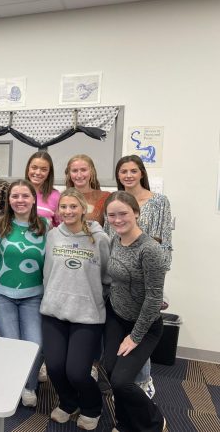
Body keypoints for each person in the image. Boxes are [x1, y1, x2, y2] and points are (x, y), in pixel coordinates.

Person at [41, 188, 111, 430]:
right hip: (54, 311)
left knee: (78, 372)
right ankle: (68, 402)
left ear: (84, 209)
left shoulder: (99, 238)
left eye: (73, 207)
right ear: (58, 210)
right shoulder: (52, 236)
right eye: (63, 207)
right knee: (55, 367)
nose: (68, 211)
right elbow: (47, 272)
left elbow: (107, 276)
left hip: (87, 315)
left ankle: (92, 407)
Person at [105, 154, 173, 398]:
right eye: (123, 171)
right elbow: (110, 237)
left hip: (149, 273)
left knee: (140, 330)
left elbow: (165, 239)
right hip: (122, 277)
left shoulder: (159, 201)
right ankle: (129, 383)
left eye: (133, 170)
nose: (128, 175)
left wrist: (160, 276)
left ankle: (142, 384)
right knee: (121, 344)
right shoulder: (115, 204)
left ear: (142, 172)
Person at [103, 191, 166, 432]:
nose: (117, 220)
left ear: (136, 213)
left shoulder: (149, 249)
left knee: (122, 382)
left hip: (145, 326)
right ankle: (125, 422)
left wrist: (135, 336)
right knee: (110, 371)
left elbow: (154, 298)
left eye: (123, 214)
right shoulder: (113, 240)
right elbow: (115, 281)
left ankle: (154, 420)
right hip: (116, 316)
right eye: (112, 215)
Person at [0, 180, 48, 407]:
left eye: (25, 196)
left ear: (34, 199)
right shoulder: (0, 224)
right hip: (1, 294)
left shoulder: (44, 226)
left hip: (33, 295)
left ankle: (29, 386)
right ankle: (14, 385)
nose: (20, 200)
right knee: (12, 344)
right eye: (15, 196)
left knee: (34, 344)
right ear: (9, 200)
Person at [64, 154, 110, 226]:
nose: (79, 175)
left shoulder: (105, 197)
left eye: (83, 170)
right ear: (69, 174)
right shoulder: (61, 198)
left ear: (92, 172)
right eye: (74, 171)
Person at [25, 151, 60, 227]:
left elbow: (60, 226)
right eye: (34, 168)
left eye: (43, 169)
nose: (38, 172)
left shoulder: (56, 197)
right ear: (28, 168)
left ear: (49, 173)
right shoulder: (17, 192)